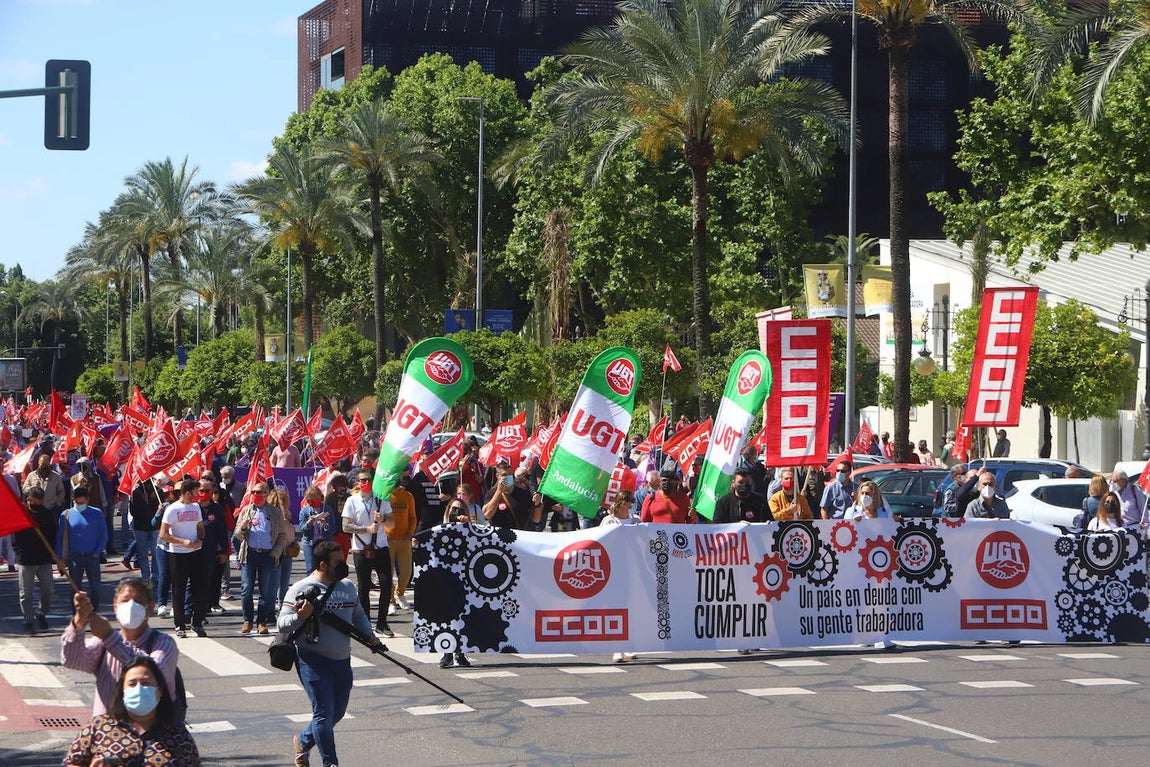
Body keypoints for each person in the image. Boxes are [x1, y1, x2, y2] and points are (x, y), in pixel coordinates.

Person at [280, 540, 382, 767]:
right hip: (312, 660)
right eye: (339, 562)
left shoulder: (347, 587)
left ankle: (304, 741)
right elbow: (282, 624)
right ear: (323, 565)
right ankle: (330, 763)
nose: (344, 566)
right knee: (323, 714)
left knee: (337, 713)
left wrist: (370, 636)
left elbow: (358, 615)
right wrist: (300, 617)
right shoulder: (300, 589)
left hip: (342, 660)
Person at [61, 576, 180, 718]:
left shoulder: (163, 643)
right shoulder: (102, 643)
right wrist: (79, 620)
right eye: (125, 600)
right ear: (115, 606)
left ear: (150, 608)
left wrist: (110, 637)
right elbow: (72, 660)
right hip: (108, 733)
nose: (131, 606)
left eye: (138, 602)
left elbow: (154, 671)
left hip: (154, 734)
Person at [62, 655, 199, 766]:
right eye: (132, 684)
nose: (139, 689)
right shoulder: (99, 727)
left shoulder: (177, 733)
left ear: (159, 691)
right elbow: (71, 762)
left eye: (146, 683)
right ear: (122, 691)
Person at [341, 468, 395, 638]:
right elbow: (346, 526)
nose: (365, 483)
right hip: (361, 549)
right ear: (357, 483)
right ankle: (365, 624)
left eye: (368, 480)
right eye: (362, 480)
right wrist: (366, 529)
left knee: (386, 585)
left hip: (380, 548)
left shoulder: (381, 500)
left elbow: (392, 523)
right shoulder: (352, 501)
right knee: (363, 587)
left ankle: (382, 622)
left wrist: (383, 520)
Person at [235, 481, 292, 635]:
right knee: (246, 589)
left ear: (266, 495)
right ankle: (247, 620)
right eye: (253, 492)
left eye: (259, 492)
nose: (255, 495)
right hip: (250, 554)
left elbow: (281, 535)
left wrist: (276, 552)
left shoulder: (275, 512)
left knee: (265, 591)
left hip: (267, 555)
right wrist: (243, 527)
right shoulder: (246, 511)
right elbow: (237, 535)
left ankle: (261, 621)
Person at [159, 479, 206, 638]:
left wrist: (201, 539)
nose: (198, 495)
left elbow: (200, 526)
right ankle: (179, 624)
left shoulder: (196, 507)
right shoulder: (172, 509)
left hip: (196, 553)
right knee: (179, 590)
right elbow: (163, 534)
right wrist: (182, 541)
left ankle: (197, 622)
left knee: (199, 589)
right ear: (187, 492)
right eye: (195, 492)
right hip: (178, 554)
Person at [13, 485, 56, 635]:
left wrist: (53, 555)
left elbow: (52, 534)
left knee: (48, 590)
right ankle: (28, 620)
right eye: (34, 502)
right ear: (28, 500)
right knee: (26, 593)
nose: (37, 505)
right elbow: (15, 538)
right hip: (26, 560)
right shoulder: (22, 514)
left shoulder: (46, 514)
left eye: (39, 502)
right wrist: (20, 554)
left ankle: (41, 612)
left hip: (43, 559)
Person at [56, 485, 108, 610]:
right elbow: (60, 538)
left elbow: (104, 535)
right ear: (73, 499)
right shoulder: (66, 515)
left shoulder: (97, 513)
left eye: (82, 501)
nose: (79, 504)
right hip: (75, 557)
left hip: (92, 556)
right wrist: (60, 558)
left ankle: (93, 613)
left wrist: (97, 552)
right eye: (77, 501)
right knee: (75, 589)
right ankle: (76, 616)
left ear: (87, 500)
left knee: (95, 589)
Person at [387, 474, 417, 613]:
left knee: (406, 571)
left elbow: (412, 517)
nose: (399, 487)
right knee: (388, 572)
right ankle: (391, 602)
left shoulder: (408, 496)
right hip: (388, 539)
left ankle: (399, 593)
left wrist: (410, 533)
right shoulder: (385, 496)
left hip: (404, 539)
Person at [482, 460, 532, 529]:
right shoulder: (491, 493)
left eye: (510, 474)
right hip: (500, 535)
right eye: (504, 475)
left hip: (519, 534)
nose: (508, 477)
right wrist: (499, 491)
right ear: (498, 476)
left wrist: (538, 505)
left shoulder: (522, 492)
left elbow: (534, 517)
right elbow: (487, 514)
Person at [299, 485, 336, 574]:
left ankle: (326, 586)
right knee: (311, 568)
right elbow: (302, 529)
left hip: (324, 541)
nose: (311, 502)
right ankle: (312, 587)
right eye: (309, 500)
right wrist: (309, 523)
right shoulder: (304, 511)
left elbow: (333, 528)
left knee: (326, 567)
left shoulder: (327, 509)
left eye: (314, 499)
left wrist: (325, 524)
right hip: (310, 542)